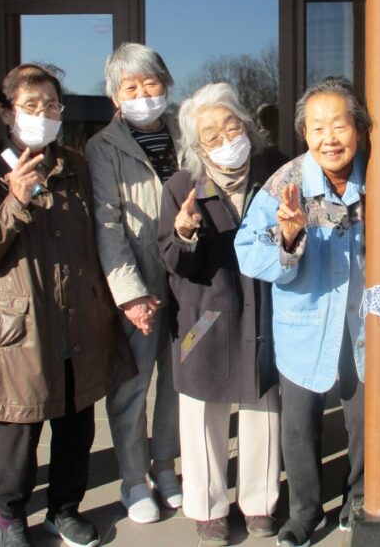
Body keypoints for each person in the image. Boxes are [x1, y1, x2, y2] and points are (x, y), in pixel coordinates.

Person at [0, 64, 135, 547]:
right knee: (18, 430)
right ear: (5, 112)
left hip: (78, 317)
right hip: (19, 325)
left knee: (76, 423)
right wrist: (14, 201)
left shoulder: (76, 167)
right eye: (31, 106)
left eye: (52, 105)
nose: (44, 114)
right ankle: (10, 517)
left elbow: (102, 233)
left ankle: (64, 509)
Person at [235, 76, 380, 547]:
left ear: (359, 128)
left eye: (339, 125)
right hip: (304, 324)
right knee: (299, 429)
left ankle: (357, 498)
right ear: (304, 134)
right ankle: (303, 514)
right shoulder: (285, 183)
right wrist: (289, 237)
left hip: (364, 319)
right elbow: (247, 252)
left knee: (366, 421)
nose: (328, 138)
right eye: (317, 128)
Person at [157, 82, 287, 545]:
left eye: (230, 125)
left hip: (261, 308)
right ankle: (207, 508)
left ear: (247, 125)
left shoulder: (276, 172)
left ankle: (259, 502)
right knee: (200, 410)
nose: (224, 138)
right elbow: (173, 262)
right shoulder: (180, 186)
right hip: (203, 317)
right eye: (210, 134)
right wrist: (183, 233)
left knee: (262, 407)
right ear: (196, 146)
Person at [84, 43, 183, 524]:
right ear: (115, 98)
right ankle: (132, 479)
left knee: (179, 381)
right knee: (132, 386)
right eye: (131, 87)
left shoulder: (188, 133)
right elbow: (107, 226)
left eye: (151, 83)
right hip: (139, 285)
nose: (143, 94)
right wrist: (130, 295)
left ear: (166, 84)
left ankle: (166, 467)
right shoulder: (103, 148)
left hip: (189, 280)